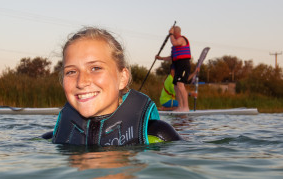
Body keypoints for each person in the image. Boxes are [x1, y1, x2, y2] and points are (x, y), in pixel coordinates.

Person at [43, 27, 181, 146]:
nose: (81, 82)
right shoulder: (56, 138)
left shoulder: (158, 134)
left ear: (122, 78)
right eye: (71, 72)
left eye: (95, 68)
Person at [156, 25, 192, 112]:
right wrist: (161, 58)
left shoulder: (181, 39)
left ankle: (185, 107)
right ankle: (180, 106)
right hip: (178, 66)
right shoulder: (176, 46)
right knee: (176, 86)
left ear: (176, 32)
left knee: (180, 84)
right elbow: (172, 57)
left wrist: (171, 34)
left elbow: (174, 42)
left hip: (184, 65)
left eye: (172, 33)